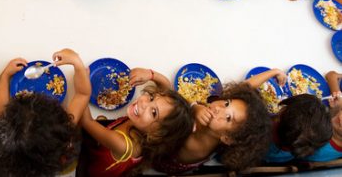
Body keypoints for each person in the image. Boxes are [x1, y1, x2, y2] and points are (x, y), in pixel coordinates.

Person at [136, 68, 271, 174]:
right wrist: (274, 72)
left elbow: (168, 110)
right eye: (227, 103)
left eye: (228, 118)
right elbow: (246, 87)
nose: (219, 108)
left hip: (158, 157)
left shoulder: (193, 144)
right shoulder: (218, 127)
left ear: (227, 138)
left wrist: (194, 107)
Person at [0, 48, 91, 176]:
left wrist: (5, 76)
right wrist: (78, 64)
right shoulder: (62, 137)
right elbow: (82, 94)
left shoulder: (4, 140)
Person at [81, 68, 194, 176]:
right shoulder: (144, 127)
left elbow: (86, 121)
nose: (143, 103)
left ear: (157, 134)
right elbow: (166, 87)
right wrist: (150, 74)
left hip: (92, 167)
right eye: (151, 98)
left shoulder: (122, 144)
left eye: (153, 112)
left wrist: (82, 89)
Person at [246, 68, 332, 163]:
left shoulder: (255, 126)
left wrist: (275, 71)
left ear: (281, 113)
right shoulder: (291, 151)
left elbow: (244, 87)